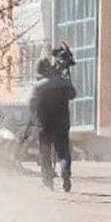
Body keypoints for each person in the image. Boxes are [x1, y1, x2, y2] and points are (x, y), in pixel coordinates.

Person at [29, 54, 77, 191]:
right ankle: (65, 170)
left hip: (44, 125)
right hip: (62, 123)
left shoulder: (38, 86)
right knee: (63, 152)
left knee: (45, 153)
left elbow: (31, 105)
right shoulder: (63, 82)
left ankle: (47, 181)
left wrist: (35, 113)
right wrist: (67, 79)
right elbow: (73, 95)